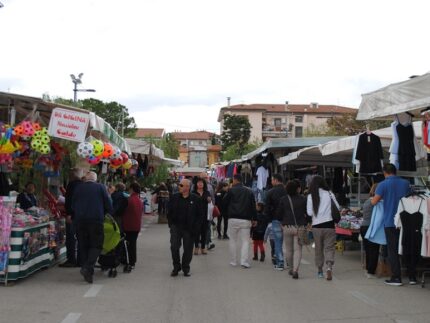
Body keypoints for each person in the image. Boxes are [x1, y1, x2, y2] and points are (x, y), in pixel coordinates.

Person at [371, 163, 410, 286]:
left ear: (385, 172)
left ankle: (396, 277)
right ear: (395, 171)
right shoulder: (406, 183)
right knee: (407, 247)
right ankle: (412, 275)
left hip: (390, 222)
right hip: (405, 221)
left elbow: (374, 201)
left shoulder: (382, 185)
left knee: (392, 250)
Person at [72, 171, 113, 284]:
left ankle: (88, 272)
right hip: (96, 221)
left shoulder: (79, 188)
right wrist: (106, 212)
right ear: (95, 179)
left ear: (86, 179)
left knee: (83, 245)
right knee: (96, 245)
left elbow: (73, 204)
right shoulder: (100, 187)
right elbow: (108, 204)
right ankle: (87, 267)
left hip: (80, 221)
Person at [167, 179, 202, 277]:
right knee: (174, 247)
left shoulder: (196, 199)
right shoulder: (174, 197)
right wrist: (171, 224)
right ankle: (176, 267)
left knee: (187, 249)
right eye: (180, 185)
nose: (179, 186)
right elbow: (169, 211)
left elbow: (200, 215)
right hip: (176, 227)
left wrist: (196, 228)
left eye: (181, 185)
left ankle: (186, 267)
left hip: (189, 228)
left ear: (187, 187)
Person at [307, 175, 339, 281]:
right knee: (329, 248)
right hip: (329, 225)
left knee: (318, 248)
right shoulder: (329, 193)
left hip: (316, 226)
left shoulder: (311, 196)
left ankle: (320, 270)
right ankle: (329, 267)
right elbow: (337, 207)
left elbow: (309, 212)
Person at [223, 174, 257, 268]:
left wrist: (226, 214)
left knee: (233, 240)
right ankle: (244, 261)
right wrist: (255, 218)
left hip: (232, 218)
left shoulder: (230, 191)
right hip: (245, 219)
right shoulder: (249, 191)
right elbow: (253, 206)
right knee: (245, 241)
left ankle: (233, 261)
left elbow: (224, 203)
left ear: (234, 180)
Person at [278, 180, 309, 279]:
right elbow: (308, 214)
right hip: (299, 227)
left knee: (288, 250)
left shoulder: (283, 199)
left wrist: (282, 223)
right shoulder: (303, 199)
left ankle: (291, 268)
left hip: (287, 226)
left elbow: (279, 214)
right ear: (298, 189)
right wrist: (308, 222)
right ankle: (295, 270)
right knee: (298, 249)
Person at [59, 169, 83, 268]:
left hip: (72, 215)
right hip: (82, 215)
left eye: (69, 175)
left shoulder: (72, 185)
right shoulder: (83, 184)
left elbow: (69, 200)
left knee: (71, 237)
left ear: (73, 175)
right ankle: (80, 260)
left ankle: (71, 259)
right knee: (80, 238)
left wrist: (69, 213)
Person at [265, 174, 287, 270]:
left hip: (276, 220)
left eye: (272, 180)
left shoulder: (270, 192)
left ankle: (280, 263)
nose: (271, 182)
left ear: (276, 180)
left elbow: (267, 208)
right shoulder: (288, 191)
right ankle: (291, 262)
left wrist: (269, 220)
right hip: (289, 221)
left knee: (278, 242)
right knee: (291, 243)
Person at [122, 182, 144, 273]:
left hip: (128, 225)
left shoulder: (129, 199)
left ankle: (130, 262)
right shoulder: (139, 200)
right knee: (133, 244)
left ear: (132, 189)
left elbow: (124, 211)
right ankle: (132, 261)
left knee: (128, 244)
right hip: (136, 225)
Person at [360, 183, 380, 279]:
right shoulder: (375, 201)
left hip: (364, 226)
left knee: (368, 249)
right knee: (374, 249)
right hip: (370, 227)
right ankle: (371, 271)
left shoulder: (367, 201)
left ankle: (368, 269)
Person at [192, 178, 211, 255]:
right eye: (199, 183)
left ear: (204, 184)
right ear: (196, 184)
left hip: (205, 215)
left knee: (204, 232)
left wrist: (209, 200)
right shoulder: (193, 192)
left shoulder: (207, 192)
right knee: (196, 232)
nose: (200, 184)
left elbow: (210, 201)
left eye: (202, 183)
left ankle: (203, 247)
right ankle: (196, 247)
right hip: (196, 215)